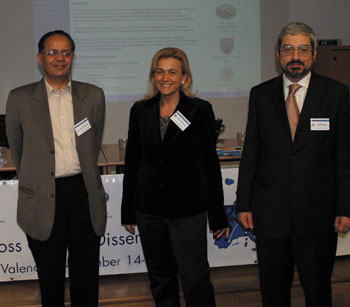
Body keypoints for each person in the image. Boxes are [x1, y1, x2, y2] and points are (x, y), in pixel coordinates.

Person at [236, 22, 350, 307]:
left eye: (302, 49)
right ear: (278, 55)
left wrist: (345, 208)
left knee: (318, 291)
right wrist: (243, 203)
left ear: (314, 54)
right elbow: (251, 153)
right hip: (270, 215)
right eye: (288, 49)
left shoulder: (336, 93)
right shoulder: (260, 95)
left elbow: (344, 157)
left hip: (318, 215)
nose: (294, 56)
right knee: (273, 293)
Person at [121, 47, 229, 307]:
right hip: (149, 210)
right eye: (159, 71)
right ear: (153, 76)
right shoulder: (140, 110)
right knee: (161, 278)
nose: (165, 77)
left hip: (187, 210)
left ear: (184, 78)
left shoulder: (199, 110)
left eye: (172, 72)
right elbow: (133, 162)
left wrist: (217, 217)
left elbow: (209, 165)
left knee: (194, 278)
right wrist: (128, 211)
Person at [6, 30, 106, 307]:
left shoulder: (94, 96)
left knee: (86, 279)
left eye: (65, 52)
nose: (59, 58)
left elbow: (92, 143)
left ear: (72, 57)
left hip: (83, 195)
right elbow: (18, 148)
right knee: (49, 281)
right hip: (41, 197)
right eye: (52, 52)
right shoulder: (19, 98)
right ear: (40, 58)